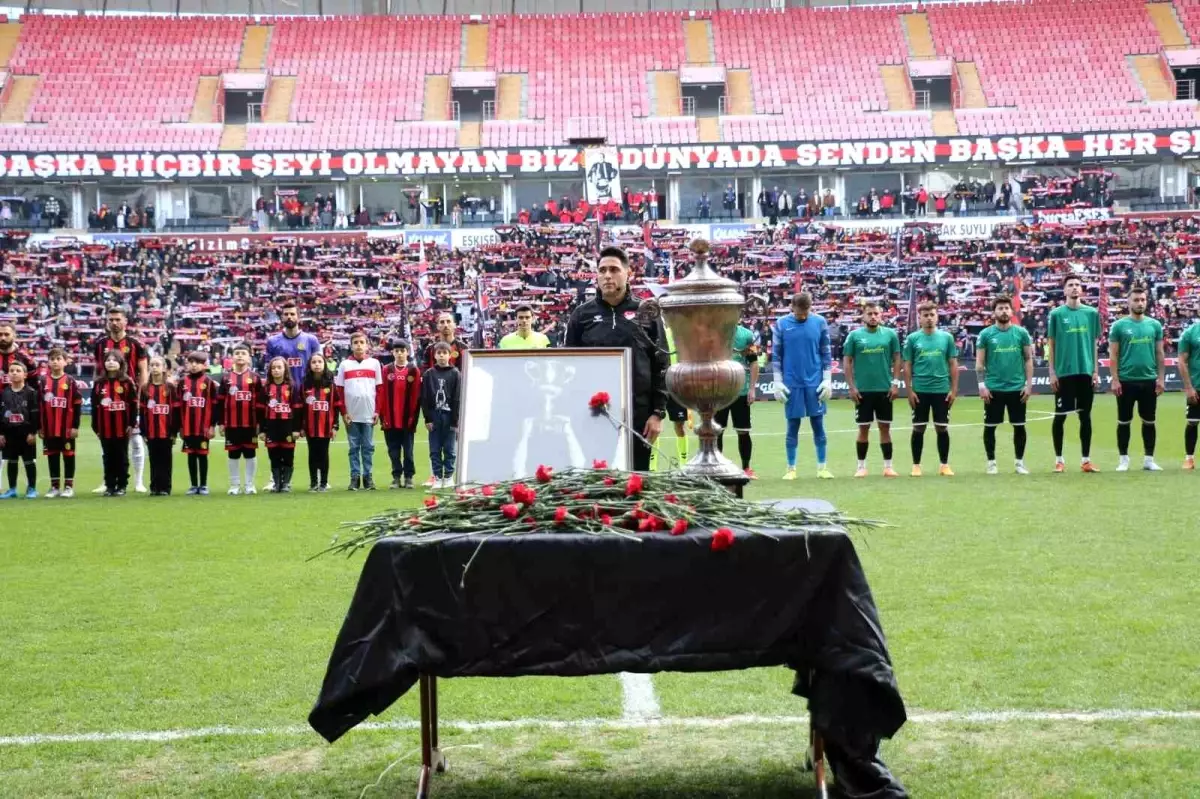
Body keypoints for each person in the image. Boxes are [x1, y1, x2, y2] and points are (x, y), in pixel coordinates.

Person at [564, 245, 668, 471]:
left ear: (628, 273)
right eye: (602, 270)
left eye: (614, 269)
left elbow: (661, 364)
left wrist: (658, 413)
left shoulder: (646, 312)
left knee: (637, 479)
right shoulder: (581, 316)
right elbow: (569, 367)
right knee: (598, 478)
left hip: (639, 415)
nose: (607, 275)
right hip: (594, 413)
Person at [772, 292, 833, 480]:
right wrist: (777, 381)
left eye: (806, 312)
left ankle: (822, 468)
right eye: (799, 313)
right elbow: (776, 354)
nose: (803, 316)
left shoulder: (820, 322)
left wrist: (827, 378)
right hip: (792, 382)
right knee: (792, 425)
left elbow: (826, 352)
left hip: (814, 381)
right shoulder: (781, 324)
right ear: (792, 307)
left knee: (818, 424)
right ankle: (791, 469)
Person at [1047, 274, 1102, 473]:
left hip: (1085, 372)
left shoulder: (1091, 313)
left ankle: (1086, 460)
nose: (1074, 288)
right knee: (1060, 416)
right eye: (1070, 285)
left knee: (1085, 417)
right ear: (1064, 290)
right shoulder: (1056, 315)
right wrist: (1052, 372)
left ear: (1082, 289)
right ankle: (1059, 460)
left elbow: (1094, 344)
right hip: (1064, 373)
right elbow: (1051, 345)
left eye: (1078, 285)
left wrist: (1095, 369)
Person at [91, 305, 149, 494]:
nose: (114, 323)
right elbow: (97, 369)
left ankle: (138, 481)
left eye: (118, 319)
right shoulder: (100, 344)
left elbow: (143, 372)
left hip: (131, 399)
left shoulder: (135, 344)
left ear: (126, 321)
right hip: (108, 397)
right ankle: (107, 481)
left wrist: (142, 396)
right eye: (111, 320)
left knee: (136, 441)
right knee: (108, 441)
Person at [1109, 284, 1165, 472]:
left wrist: (1161, 378)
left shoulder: (1155, 325)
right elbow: (1114, 355)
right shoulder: (1119, 326)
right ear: (1128, 302)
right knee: (1124, 421)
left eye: (1142, 300)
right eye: (1136, 300)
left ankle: (1149, 459)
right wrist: (1115, 379)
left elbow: (1159, 353)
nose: (1140, 303)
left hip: (1149, 380)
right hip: (1126, 381)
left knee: (1149, 421)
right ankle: (1123, 460)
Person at [976, 296, 1034, 475]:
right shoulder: (985, 334)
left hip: (1017, 388)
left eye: (1006, 308)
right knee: (990, 427)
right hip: (993, 389)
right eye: (1000, 308)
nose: (1003, 311)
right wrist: (981, 385)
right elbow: (979, 362)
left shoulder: (1021, 333)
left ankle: (1019, 463)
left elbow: (1028, 359)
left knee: (1019, 426)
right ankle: (991, 463)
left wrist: (1028, 384)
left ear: (1012, 311)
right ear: (994, 312)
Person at [843, 302, 901, 478]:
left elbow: (897, 358)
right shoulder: (854, 336)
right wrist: (851, 387)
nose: (873, 316)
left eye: (876, 313)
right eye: (869, 314)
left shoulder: (890, 335)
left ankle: (888, 467)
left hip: (885, 389)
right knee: (863, 429)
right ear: (863, 316)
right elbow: (847, 362)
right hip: (863, 391)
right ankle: (861, 467)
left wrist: (895, 383)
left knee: (885, 428)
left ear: (881, 315)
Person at [903, 301, 958, 477]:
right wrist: (909, 390)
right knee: (919, 428)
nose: (929, 318)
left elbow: (953, 364)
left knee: (942, 428)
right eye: (925, 315)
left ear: (937, 317)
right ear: (919, 318)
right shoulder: (913, 339)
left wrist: (954, 389)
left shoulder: (946, 338)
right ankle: (916, 465)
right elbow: (908, 365)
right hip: (920, 390)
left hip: (941, 389)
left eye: (932, 315)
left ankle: (944, 465)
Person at [336, 330, 383, 491]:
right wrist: (343, 412)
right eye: (355, 343)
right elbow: (339, 391)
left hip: (369, 413)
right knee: (354, 447)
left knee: (368, 447)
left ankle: (368, 477)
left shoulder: (374, 364)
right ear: (351, 346)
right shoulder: (344, 365)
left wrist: (378, 411)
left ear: (367, 345)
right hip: (352, 415)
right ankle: (355, 477)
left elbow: (379, 389)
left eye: (362, 342)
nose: (359, 346)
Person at [714, 320, 759, 479]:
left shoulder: (747, 335)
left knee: (743, 431)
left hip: (741, 391)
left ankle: (746, 468)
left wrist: (752, 388)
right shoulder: (715, 333)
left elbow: (753, 363)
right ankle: (717, 469)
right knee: (717, 432)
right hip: (720, 393)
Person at [91, 350, 139, 497]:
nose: (111, 362)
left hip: (122, 428)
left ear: (121, 363)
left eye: (114, 360)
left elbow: (133, 404)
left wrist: (131, 424)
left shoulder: (126, 382)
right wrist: (96, 427)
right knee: (108, 456)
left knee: (121, 456)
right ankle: (110, 485)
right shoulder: (99, 383)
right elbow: (94, 406)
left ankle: (122, 485)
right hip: (104, 428)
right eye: (108, 360)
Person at [39, 348, 83, 498]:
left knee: (68, 455)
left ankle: (69, 487)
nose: (55, 362)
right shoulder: (43, 381)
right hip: (49, 428)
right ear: (48, 363)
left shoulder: (70, 381)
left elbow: (77, 404)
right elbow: (38, 406)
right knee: (52, 455)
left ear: (65, 361)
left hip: (66, 428)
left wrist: (75, 426)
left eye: (58, 359)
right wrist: (40, 427)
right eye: (52, 359)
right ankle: (54, 486)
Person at [219, 342, 261, 495]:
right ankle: (234, 485)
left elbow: (261, 403)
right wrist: (221, 423)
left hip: (250, 423)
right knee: (233, 453)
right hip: (231, 423)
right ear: (232, 357)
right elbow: (220, 402)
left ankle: (250, 484)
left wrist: (260, 424)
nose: (240, 356)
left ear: (249, 358)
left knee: (250, 453)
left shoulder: (255, 378)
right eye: (237, 354)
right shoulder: (225, 378)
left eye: (243, 353)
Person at [380, 339, 422, 489]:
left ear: (407, 352)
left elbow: (417, 395)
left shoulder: (413, 370)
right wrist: (382, 416)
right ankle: (396, 477)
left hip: (407, 419)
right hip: (390, 419)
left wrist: (414, 418)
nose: (399, 354)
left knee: (408, 451)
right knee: (393, 451)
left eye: (402, 351)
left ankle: (409, 477)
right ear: (392, 352)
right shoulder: (386, 370)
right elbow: (382, 393)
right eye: (396, 351)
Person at [177, 351, 219, 496]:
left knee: (202, 455)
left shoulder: (209, 383)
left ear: (204, 365)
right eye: (191, 362)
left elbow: (214, 405)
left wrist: (212, 425)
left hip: (203, 427)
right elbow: (178, 406)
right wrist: (180, 427)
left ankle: (204, 485)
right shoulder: (182, 382)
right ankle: (193, 485)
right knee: (191, 455)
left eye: (198, 362)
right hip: (188, 427)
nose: (194, 365)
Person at [421, 341, 461, 490]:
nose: (442, 356)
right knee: (435, 449)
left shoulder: (455, 373)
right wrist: (427, 418)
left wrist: (455, 421)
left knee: (450, 449)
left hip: (449, 416)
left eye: (445, 353)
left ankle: (449, 476)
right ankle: (437, 477)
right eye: (439, 353)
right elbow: (424, 398)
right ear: (434, 355)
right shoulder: (429, 374)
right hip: (434, 416)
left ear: (450, 355)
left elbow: (457, 398)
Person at [259, 356, 302, 493]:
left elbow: (297, 408)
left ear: (285, 369)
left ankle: (286, 484)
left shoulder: (292, 387)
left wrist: (296, 429)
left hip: (287, 427)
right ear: (270, 370)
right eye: (273, 368)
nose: (276, 370)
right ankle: (277, 483)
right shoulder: (266, 388)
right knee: (274, 456)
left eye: (279, 367)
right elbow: (260, 410)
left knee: (288, 455)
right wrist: (261, 430)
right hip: (271, 427)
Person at [300, 352, 339, 492]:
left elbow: (336, 406)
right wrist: (301, 427)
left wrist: (335, 426)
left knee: (323, 454)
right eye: (314, 362)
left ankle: (323, 483)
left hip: (326, 426)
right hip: (310, 427)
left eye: (319, 362)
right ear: (310, 365)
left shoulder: (331, 385)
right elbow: (300, 408)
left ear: (324, 364)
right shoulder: (305, 385)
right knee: (312, 453)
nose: (317, 365)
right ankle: (313, 482)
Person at [0, 361, 40, 499]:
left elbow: (35, 414)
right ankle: (12, 489)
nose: (14, 373)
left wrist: (33, 432)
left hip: (26, 433)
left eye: (18, 370)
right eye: (11, 371)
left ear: (25, 375)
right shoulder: (3, 393)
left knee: (29, 461)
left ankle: (32, 488)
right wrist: (0, 434)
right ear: (8, 375)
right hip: (9, 433)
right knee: (11, 461)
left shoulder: (31, 393)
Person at [141, 355, 179, 496]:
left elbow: (175, 411)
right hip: (151, 432)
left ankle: (165, 487)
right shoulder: (145, 388)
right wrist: (143, 432)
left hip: (166, 431)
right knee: (153, 459)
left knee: (166, 460)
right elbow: (142, 411)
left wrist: (174, 432)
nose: (154, 368)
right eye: (152, 365)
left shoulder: (170, 387)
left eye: (157, 365)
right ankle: (154, 487)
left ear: (164, 368)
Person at [266, 300, 323, 391]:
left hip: (306, 392)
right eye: (286, 314)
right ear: (282, 317)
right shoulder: (272, 342)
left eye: (292, 314)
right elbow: (269, 372)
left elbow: (319, 369)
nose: (289, 317)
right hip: (282, 394)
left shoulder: (311, 340)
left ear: (299, 317)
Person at [1178, 317, 1200, 470]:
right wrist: (1189, 387)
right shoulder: (1190, 333)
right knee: (1193, 422)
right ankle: (1189, 458)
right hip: (1197, 385)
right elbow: (1182, 361)